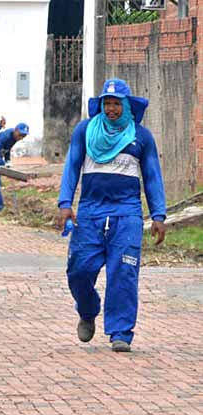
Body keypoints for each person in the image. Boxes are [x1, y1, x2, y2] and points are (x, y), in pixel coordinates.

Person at [58, 79, 166, 353]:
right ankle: (87, 310)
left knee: (124, 274)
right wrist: (65, 203)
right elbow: (72, 166)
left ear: (127, 106)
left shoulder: (141, 137)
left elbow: (152, 176)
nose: (112, 109)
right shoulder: (85, 131)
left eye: (117, 103)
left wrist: (158, 214)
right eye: (107, 103)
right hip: (90, 211)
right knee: (78, 270)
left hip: (126, 213)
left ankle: (120, 332)